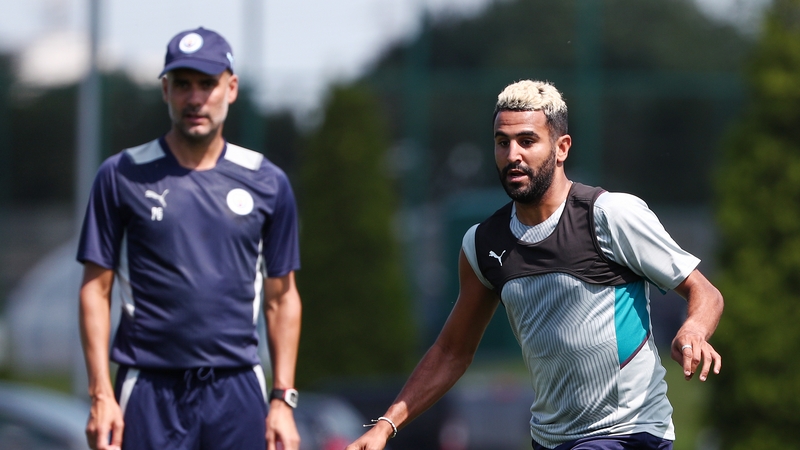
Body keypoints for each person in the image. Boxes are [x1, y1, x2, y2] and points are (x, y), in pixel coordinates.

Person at [346, 80, 724, 450]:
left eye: (527, 141)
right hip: (551, 440)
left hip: (630, 431)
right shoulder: (482, 245)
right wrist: (385, 426)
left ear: (561, 148)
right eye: (502, 142)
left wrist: (693, 330)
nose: (513, 155)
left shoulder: (610, 215)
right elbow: (451, 351)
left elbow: (704, 292)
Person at [77, 27, 302, 450]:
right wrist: (101, 395)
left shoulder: (268, 182)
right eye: (182, 85)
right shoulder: (121, 175)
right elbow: (95, 290)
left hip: (237, 390)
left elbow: (282, 298)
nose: (195, 98)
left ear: (231, 88)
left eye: (207, 84)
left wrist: (283, 400)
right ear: (166, 90)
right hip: (147, 392)